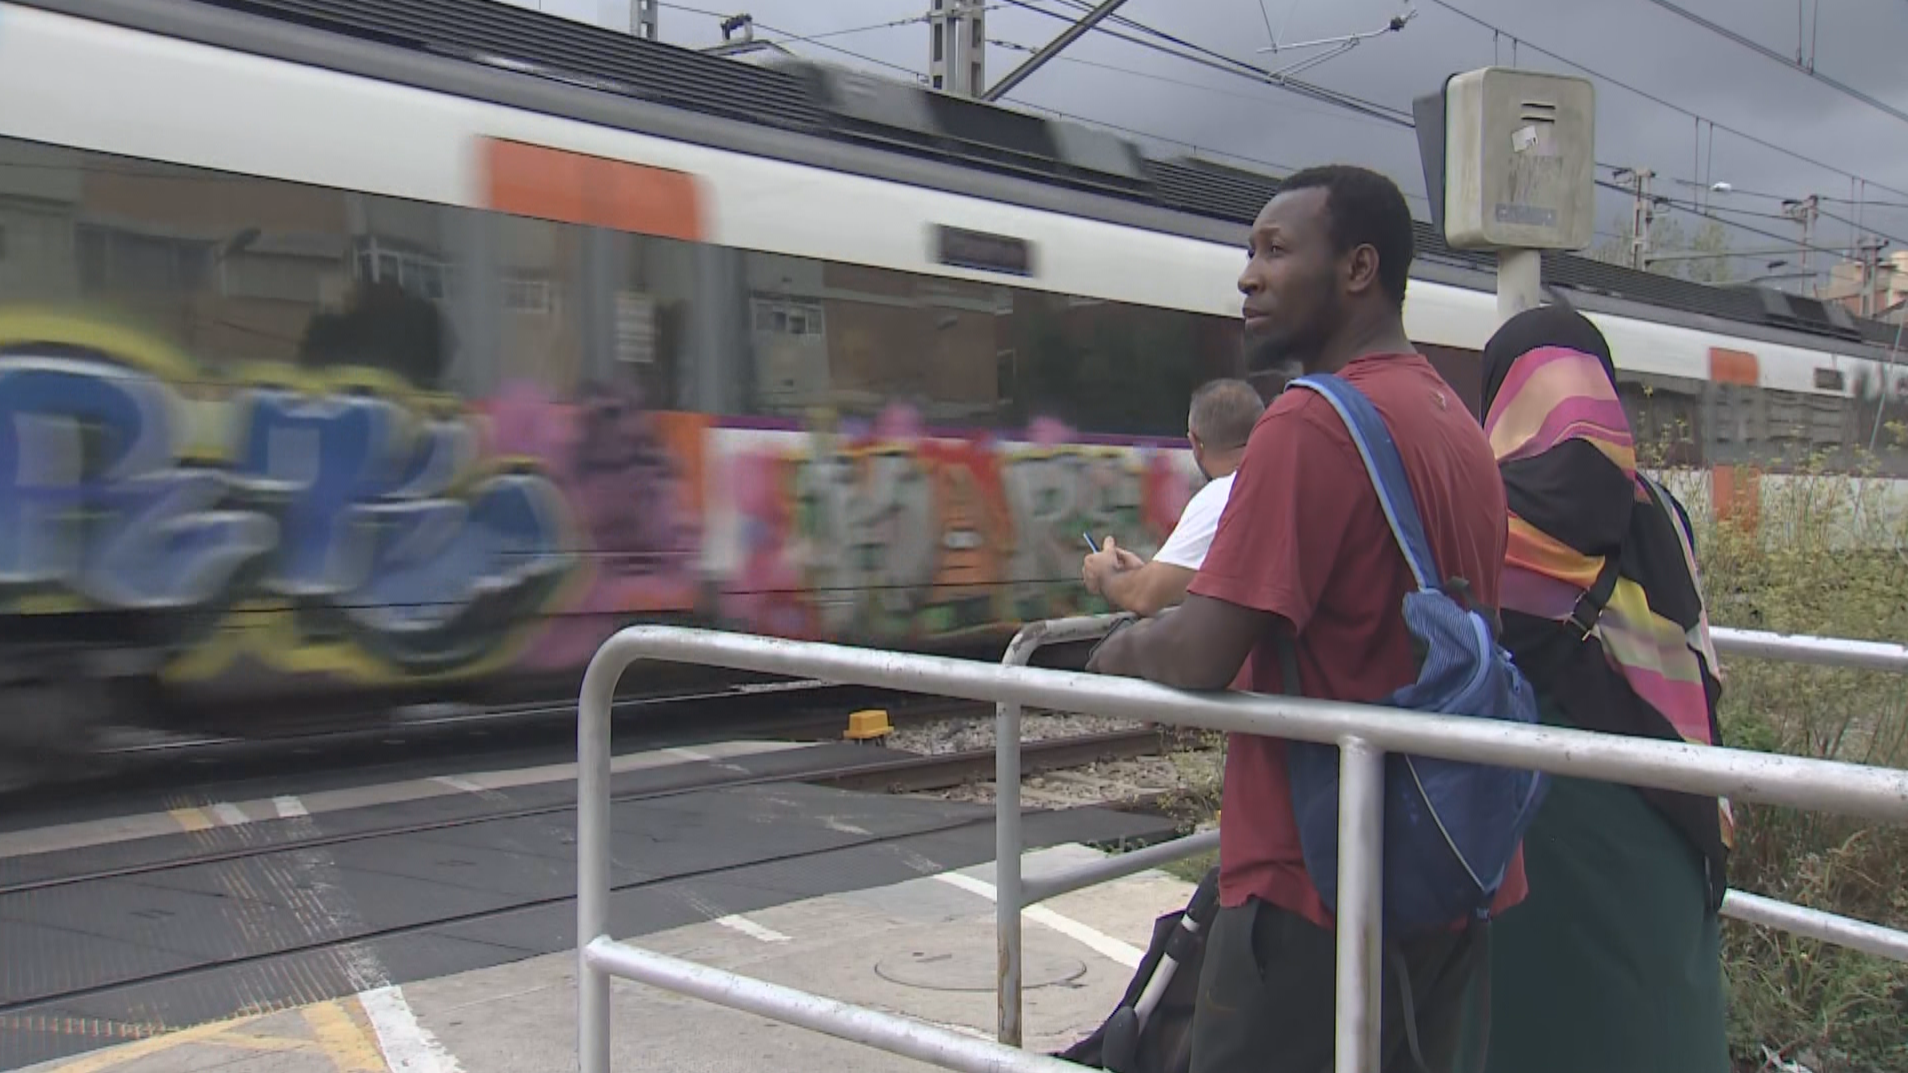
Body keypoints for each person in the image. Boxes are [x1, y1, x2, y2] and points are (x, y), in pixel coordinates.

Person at [1085, 163, 1520, 1073]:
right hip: (1442, 863)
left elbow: (1201, 647)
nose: (1248, 276)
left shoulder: (1308, 425)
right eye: (1249, 252)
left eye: (1277, 251)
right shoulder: (1454, 417)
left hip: (1310, 882)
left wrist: (1116, 651)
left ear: (1359, 268)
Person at [1475, 305, 1733, 1073]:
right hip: (1666, 798)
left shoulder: (1487, 508)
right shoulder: (1663, 510)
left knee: (1529, 1018)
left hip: (1534, 818)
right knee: (1654, 1009)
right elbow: (1694, 650)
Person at [1082, 378, 1265, 616]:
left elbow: (1142, 597)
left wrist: (1107, 575)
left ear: (1195, 443)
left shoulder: (1223, 496)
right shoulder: (1279, 485)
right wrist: (1149, 573)